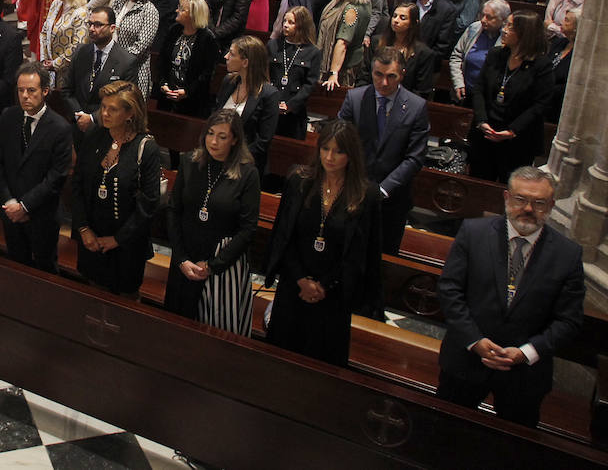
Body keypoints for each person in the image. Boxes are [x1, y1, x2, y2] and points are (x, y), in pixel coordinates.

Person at [436, 167, 585, 429]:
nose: (528, 208)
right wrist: (474, 340)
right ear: (506, 198)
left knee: (512, 450)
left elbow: (568, 321)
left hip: (524, 375)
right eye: (520, 199)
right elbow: (450, 290)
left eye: (538, 203)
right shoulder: (473, 233)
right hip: (467, 361)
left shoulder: (567, 254)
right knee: (446, 432)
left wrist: (526, 353)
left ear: (550, 206)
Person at [264, 118, 382, 367]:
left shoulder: (365, 194)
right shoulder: (300, 181)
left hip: (333, 295)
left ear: (351, 155)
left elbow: (359, 252)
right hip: (293, 286)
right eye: (325, 149)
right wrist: (300, 279)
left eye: (339, 151)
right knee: (280, 362)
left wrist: (324, 285)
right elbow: (284, 235)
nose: (330, 157)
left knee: (322, 364)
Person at [165, 108, 260, 333]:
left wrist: (212, 266)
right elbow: (173, 210)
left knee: (215, 333)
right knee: (176, 329)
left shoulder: (247, 174)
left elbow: (248, 229)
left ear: (235, 140)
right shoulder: (190, 161)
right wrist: (180, 258)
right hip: (186, 256)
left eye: (222, 136)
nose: (213, 141)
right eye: (210, 133)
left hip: (222, 264)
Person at [69, 80, 163, 297]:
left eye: (113, 109)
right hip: (92, 238)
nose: (104, 114)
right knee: (91, 298)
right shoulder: (95, 137)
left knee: (122, 307)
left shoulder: (146, 148)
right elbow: (78, 185)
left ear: (130, 113)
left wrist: (117, 239)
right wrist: (83, 228)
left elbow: (148, 204)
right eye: (103, 107)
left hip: (126, 246)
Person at [338, 47, 429, 255]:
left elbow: (414, 158)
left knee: (383, 258)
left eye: (391, 76)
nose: (384, 83)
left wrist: (384, 189)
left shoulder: (416, 107)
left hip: (392, 198)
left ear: (402, 74)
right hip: (353, 190)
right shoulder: (355, 98)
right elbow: (342, 141)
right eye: (378, 75)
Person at [0, 63, 73, 273]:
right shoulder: (8, 117)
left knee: (45, 268)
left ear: (45, 91)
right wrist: (10, 202)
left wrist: (25, 206)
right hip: (10, 210)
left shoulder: (60, 128)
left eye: (31, 90)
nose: (25, 96)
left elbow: (56, 177)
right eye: (20, 90)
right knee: (16, 266)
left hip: (41, 214)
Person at [468, 11, 554, 182]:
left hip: (518, 140)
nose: (504, 30)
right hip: (486, 133)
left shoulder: (541, 65)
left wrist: (512, 131)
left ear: (525, 34)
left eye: (510, 27)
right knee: (479, 183)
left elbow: (540, 104)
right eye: (506, 24)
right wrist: (482, 120)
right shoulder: (496, 54)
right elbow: (479, 88)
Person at [213, 35, 280, 172]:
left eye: (231, 54)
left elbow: (263, 142)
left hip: (245, 165)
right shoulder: (229, 81)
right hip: (218, 157)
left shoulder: (269, 94)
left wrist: (232, 156)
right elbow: (215, 118)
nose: (226, 57)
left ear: (245, 62)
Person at [65, 7, 138, 132]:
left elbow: (125, 102)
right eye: (90, 24)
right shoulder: (80, 52)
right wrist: (79, 115)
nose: (92, 29)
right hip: (77, 125)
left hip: (106, 129)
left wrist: (92, 118)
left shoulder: (127, 61)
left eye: (98, 25)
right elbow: (67, 90)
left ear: (112, 28)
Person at [156, 0, 219, 116]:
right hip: (167, 95)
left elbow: (207, 73)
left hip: (192, 101)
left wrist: (187, 91)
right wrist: (163, 84)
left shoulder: (208, 39)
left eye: (182, 9)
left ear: (194, 15)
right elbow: (162, 61)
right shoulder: (174, 30)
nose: (177, 10)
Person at [316, 0, 372, 91]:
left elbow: (342, 43)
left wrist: (333, 73)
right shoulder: (365, 0)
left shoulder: (351, 10)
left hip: (343, 69)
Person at [269, 7, 322, 140]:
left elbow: (310, 84)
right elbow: (265, 75)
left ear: (302, 25)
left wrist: (291, 105)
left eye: (291, 22)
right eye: (285, 21)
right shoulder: (273, 45)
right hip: (270, 108)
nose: (285, 25)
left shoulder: (313, 52)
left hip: (295, 113)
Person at [368, 3, 438, 99]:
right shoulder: (377, 42)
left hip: (405, 104)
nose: (396, 20)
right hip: (374, 97)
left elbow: (422, 91)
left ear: (413, 23)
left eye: (402, 18)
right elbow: (364, 76)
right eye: (395, 16)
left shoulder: (424, 53)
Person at [109, 0, 160, 95]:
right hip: (111, 64)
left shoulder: (149, 10)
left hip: (134, 68)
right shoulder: (119, 1)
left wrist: (120, 59)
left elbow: (142, 45)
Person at [450, 0, 509, 102]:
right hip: (465, 91)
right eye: (483, 15)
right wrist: (458, 83)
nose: (483, 20)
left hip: (489, 97)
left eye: (489, 17)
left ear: (503, 20)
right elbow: (457, 57)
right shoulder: (474, 28)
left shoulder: (507, 38)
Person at [40, 0, 88, 89]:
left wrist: (56, 64)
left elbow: (78, 45)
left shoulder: (81, 13)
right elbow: (44, 31)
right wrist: (44, 58)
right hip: (49, 66)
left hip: (69, 70)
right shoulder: (56, 4)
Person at [545, 8, 579, 123]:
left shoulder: (580, 52)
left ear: (576, 28)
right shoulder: (560, 42)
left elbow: (569, 83)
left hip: (558, 102)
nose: (562, 23)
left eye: (567, 21)